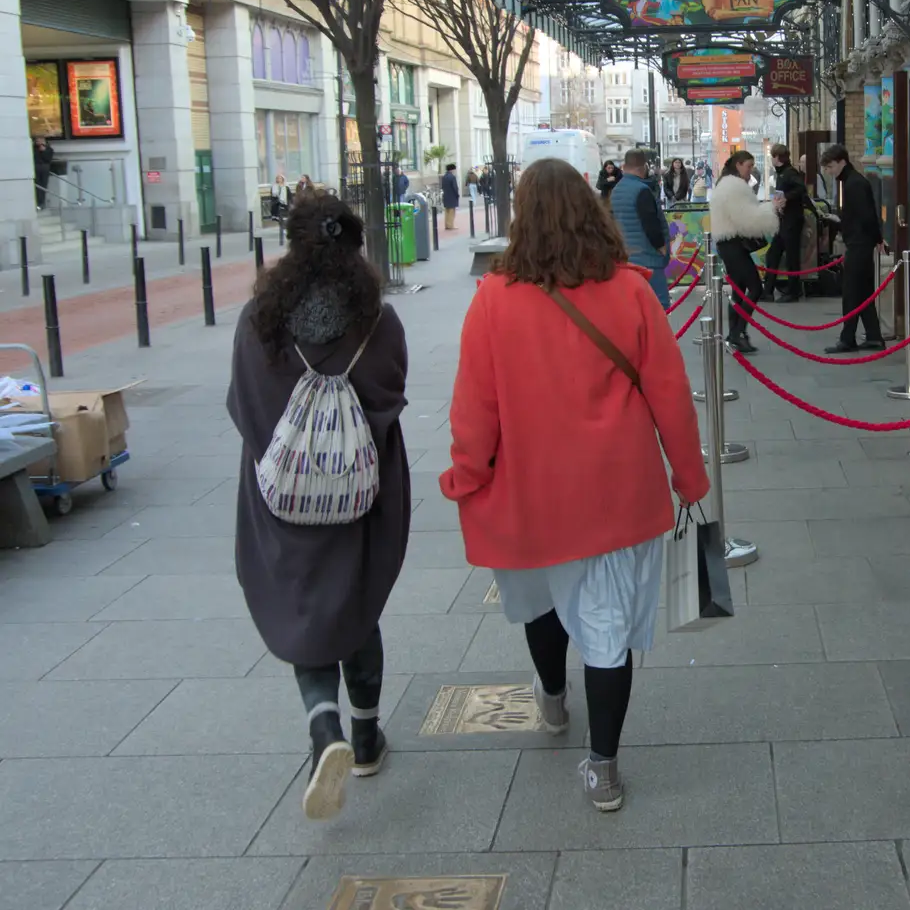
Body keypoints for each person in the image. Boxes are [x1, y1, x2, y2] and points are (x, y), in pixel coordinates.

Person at [441, 158, 709, 813]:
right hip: (616, 492)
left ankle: (554, 700)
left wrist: (465, 477)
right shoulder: (631, 291)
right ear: (592, 211)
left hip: (529, 498)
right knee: (606, 625)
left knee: (539, 602)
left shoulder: (493, 302)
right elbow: (670, 395)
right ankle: (604, 768)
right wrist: (690, 476)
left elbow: (474, 411)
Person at [226, 194, 411, 822]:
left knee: (303, 603)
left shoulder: (260, 321)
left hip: (284, 497)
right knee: (355, 601)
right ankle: (365, 738)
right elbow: (390, 396)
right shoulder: (377, 321)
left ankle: (322, 725)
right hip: (360, 495)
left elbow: (245, 409)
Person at [708, 151, 777, 354]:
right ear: (738, 165)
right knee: (754, 288)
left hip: (727, 243)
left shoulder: (726, 184)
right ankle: (737, 333)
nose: (751, 170)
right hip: (733, 244)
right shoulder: (734, 187)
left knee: (739, 290)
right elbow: (748, 219)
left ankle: (735, 333)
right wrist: (772, 208)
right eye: (748, 166)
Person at [819, 144, 885, 353]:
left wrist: (877, 238)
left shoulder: (854, 183)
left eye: (830, 167)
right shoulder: (851, 182)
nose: (829, 172)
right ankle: (874, 336)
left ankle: (847, 339)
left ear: (841, 162)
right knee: (863, 292)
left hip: (859, 244)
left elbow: (867, 216)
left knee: (851, 292)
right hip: (860, 242)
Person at [610, 148, 672, 307]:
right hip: (648, 258)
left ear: (624, 166)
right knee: (659, 305)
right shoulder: (642, 190)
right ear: (644, 166)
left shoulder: (616, 190)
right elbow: (650, 222)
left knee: (635, 307)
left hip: (627, 258)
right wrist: (662, 247)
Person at [762, 144, 812, 302]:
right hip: (784, 220)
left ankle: (793, 291)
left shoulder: (789, 173)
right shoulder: (782, 173)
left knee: (791, 256)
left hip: (791, 221)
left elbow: (801, 189)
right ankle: (768, 290)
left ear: (777, 157)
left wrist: (786, 198)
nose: (771, 159)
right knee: (774, 254)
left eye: (772, 156)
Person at [33, 137, 54, 211]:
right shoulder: (33, 149)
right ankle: (38, 202)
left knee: (43, 186)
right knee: (37, 186)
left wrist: (44, 151)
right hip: (36, 168)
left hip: (44, 169)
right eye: (37, 141)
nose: (39, 142)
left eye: (41, 141)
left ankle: (42, 202)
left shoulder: (49, 149)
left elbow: (48, 159)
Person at [441, 163, 460, 231]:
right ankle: (451, 225)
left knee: (447, 211)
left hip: (446, 195)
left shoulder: (444, 177)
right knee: (452, 211)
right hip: (452, 196)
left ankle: (447, 224)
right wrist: (457, 194)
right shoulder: (452, 177)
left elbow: (442, 186)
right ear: (452, 169)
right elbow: (455, 187)